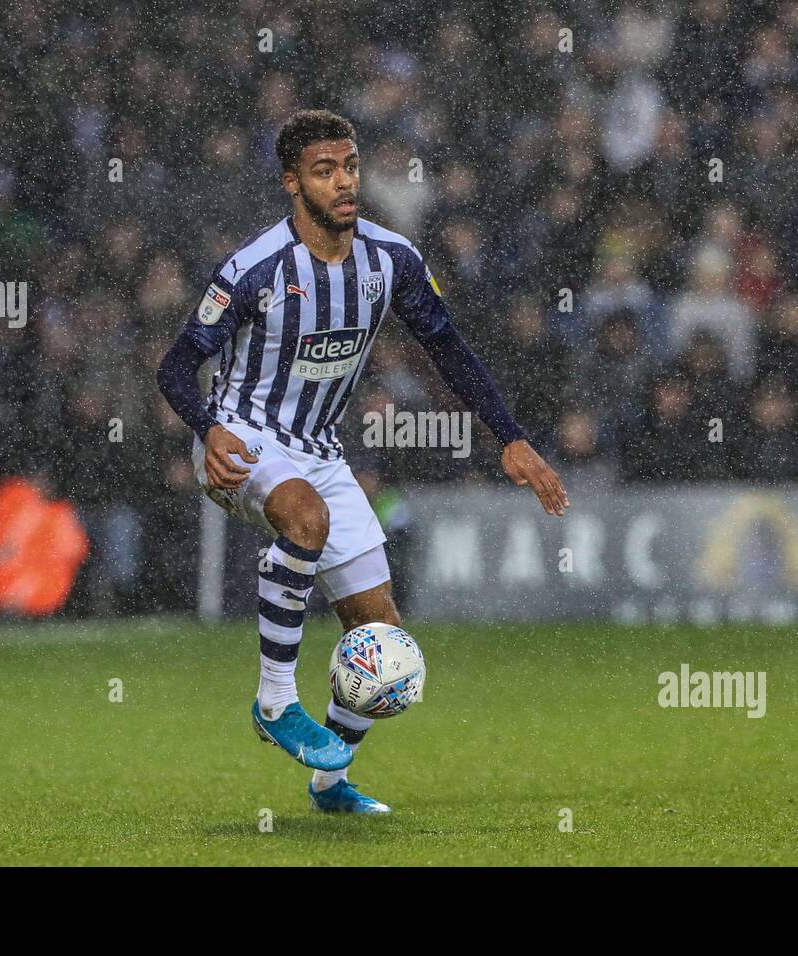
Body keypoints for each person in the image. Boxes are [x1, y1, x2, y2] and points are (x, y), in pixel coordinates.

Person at [156, 110, 568, 814]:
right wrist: (205, 427)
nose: (344, 182)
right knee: (305, 518)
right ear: (292, 182)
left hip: (319, 451)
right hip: (239, 438)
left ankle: (329, 782)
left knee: (385, 648)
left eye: (349, 166)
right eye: (324, 171)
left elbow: (450, 350)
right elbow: (175, 366)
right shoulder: (255, 269)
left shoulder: (392, 261)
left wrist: (510, 436)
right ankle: (274, 702)